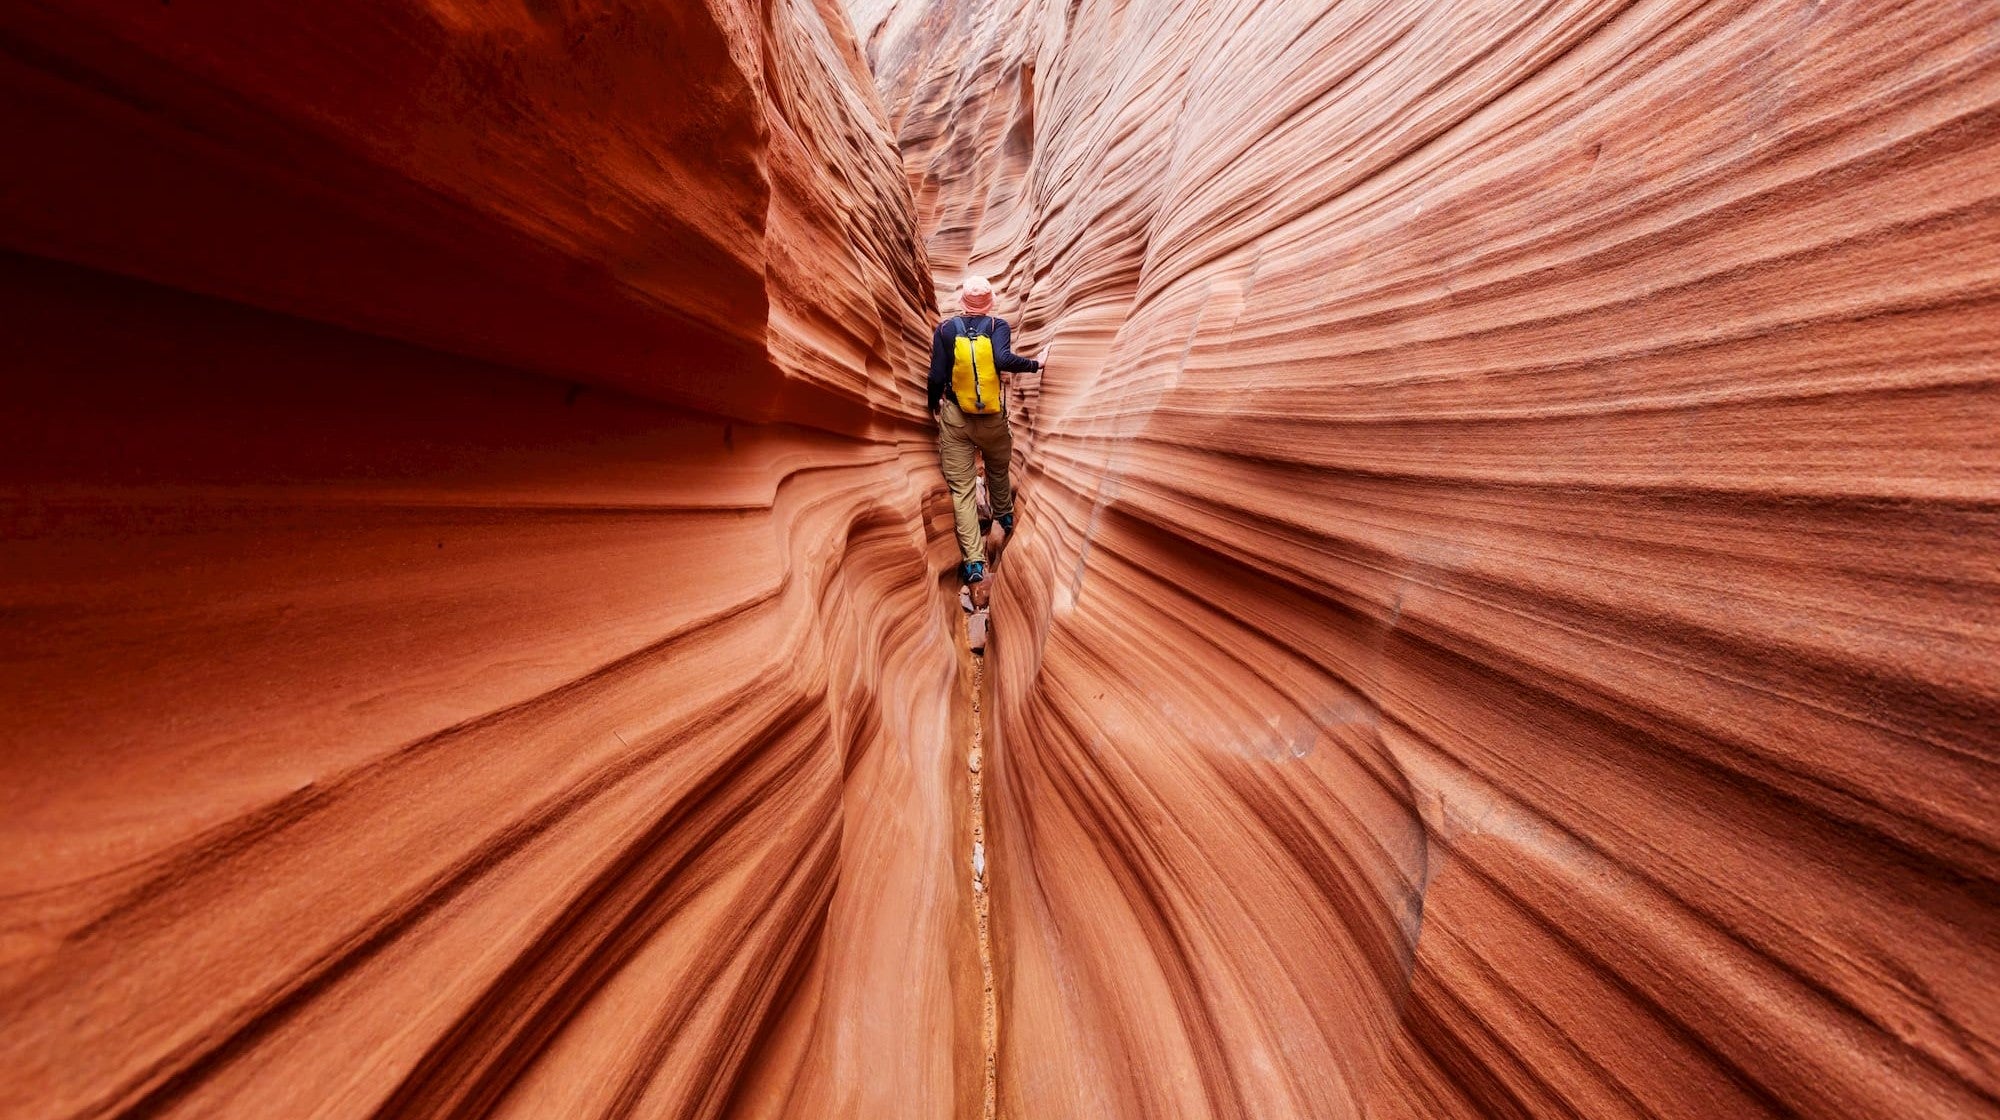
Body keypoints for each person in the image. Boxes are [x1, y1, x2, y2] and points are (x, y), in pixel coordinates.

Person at [927, 274, 1044, 587]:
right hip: (992, 417)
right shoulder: (997, 327)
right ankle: (1004, 515)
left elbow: (937, 374)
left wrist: (932, 405)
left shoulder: (946, 330)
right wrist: (1037, 364)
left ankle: (975, 564)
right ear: (990, 302)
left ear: (963, 302)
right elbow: (1003, 360)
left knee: (963, 491)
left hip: (956, 418)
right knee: (997, 470)